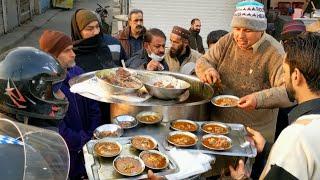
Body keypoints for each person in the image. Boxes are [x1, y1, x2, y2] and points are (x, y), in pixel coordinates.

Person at [195, 0, 291, 142]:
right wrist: (208, 70)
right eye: (237, 28)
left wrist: (258, 99)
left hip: (254, 132)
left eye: (247, 30)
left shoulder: (274, 52)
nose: (240, 35)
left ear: (261, 30)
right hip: (219, 125)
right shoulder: (227, 40)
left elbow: (288, 92)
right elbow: (203, 61)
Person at [229, 32, 320, 180]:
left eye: (284, 72)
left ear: (296, 76)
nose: (283, 78)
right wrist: (267, 149)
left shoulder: (297, 137)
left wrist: (241, 178)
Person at [39, 30, 101, 179]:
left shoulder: (78, 73)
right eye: (67, 51)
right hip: (66, 157)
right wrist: (83, 139)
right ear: (52, 56)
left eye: (72, 49)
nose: (73, 54)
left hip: (89, 145)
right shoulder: (45, 88)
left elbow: (93, 105)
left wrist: (93, 133)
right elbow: (56, 128)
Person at [275, 20, 306, 140]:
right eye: (288, 43)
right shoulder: (279, 56)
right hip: (283, 108)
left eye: (297, 41)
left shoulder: (311, 59)